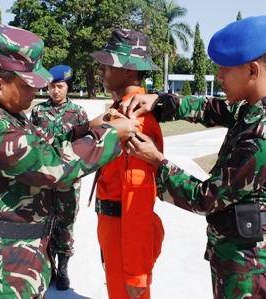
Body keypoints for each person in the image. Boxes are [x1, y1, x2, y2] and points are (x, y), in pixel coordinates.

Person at [124, 16, 266, 299]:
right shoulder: (260, 108)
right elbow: (213, 109)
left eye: (224, 69)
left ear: (252, 70)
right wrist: (161, 101)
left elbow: (205, 197)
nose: (219, 77)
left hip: (252, 272)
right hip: (242, 256)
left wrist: (155, 161)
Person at [0, 24, 139, 299]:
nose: (36, 94)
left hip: (18, 257)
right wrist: (110, 136)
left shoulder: (6, 111)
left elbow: (43, 144)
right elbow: (49, 166)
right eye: (29, 86)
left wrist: (88, 127)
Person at [90, 28, 165, 299]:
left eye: (108, 62)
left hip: (126, 231)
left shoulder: (137, 123)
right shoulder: (121, 112)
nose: (101, 68)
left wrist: (136, 271)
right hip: (113, 226)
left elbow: (138, 197)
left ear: (129, 70)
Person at [30, 65, 87, 291]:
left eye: (60, 86)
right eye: (52, 86)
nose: (55, 91)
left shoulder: (78, 112)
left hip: (68, 178)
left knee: (66, 222)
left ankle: (63, 268)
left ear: (67, 87)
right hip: (43, 177)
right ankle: (49, 267)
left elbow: (84, 144)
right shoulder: (38, 112)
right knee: (43, 220)